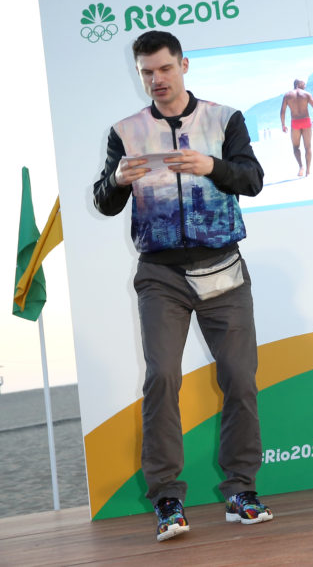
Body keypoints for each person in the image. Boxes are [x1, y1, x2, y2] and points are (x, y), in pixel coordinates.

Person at [93, 30, 272, 541]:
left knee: (239, 377)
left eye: (164, 69)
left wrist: (210, 166)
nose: (156, 80)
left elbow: (253, 179)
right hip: (161, 276)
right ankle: (168, 500)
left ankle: (241, 489)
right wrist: (118, 182)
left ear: (184, 65)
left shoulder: (224, 119)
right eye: (147, 72)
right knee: (162, 378)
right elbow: (104, 201)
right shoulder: (124, 131)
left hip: (224, 271)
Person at [280, 79, 313, 176]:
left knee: (295, 147)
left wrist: (283, 125)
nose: (305, 85)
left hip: (295, 122)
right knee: (308, 147)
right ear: (298, 84)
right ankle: (308, 171)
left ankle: (301, 166)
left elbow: (282, 111)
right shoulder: (306, 94)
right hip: (306, 121)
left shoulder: (287, 96)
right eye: (303, 83)